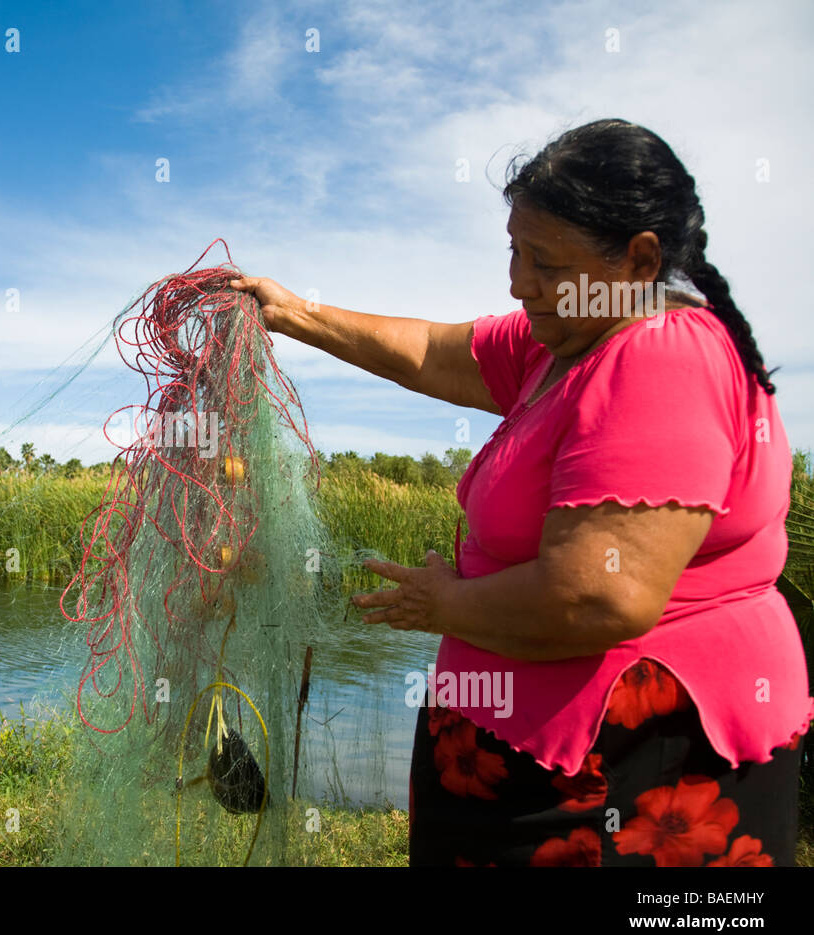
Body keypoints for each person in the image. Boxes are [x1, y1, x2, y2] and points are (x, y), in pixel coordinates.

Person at [233, 119, 811, 866]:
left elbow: (600, 596)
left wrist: (442, 606)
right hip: (534, 762)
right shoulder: (563, 341)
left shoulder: (660, 355)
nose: (517, 281)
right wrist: (295, 315)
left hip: (630, 771)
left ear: (639, 259)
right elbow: (433, 352)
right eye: (514, 250)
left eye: (543, 259)